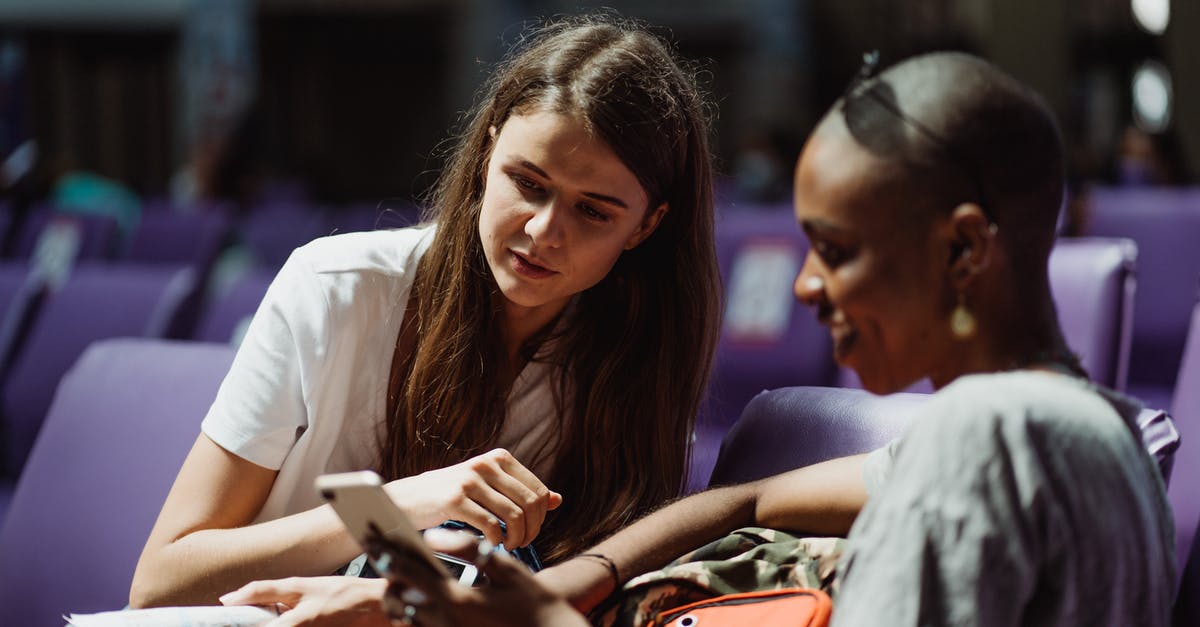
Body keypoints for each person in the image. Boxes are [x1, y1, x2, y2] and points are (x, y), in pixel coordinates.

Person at [363, 50, 1176, 626]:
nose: (804, 287)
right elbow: (744, 499)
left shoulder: (984, 439)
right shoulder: (1100, 427)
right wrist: (574, 583)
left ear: (961, 250)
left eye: (837, 250)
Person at [129, 14, 721, 615]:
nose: (544, 231)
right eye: (527, 181)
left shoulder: (637, 352)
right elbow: (161, 581)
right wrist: (405, 506)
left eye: (593, 212)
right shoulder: (334, 288)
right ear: (489, 146)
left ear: (646, 226)